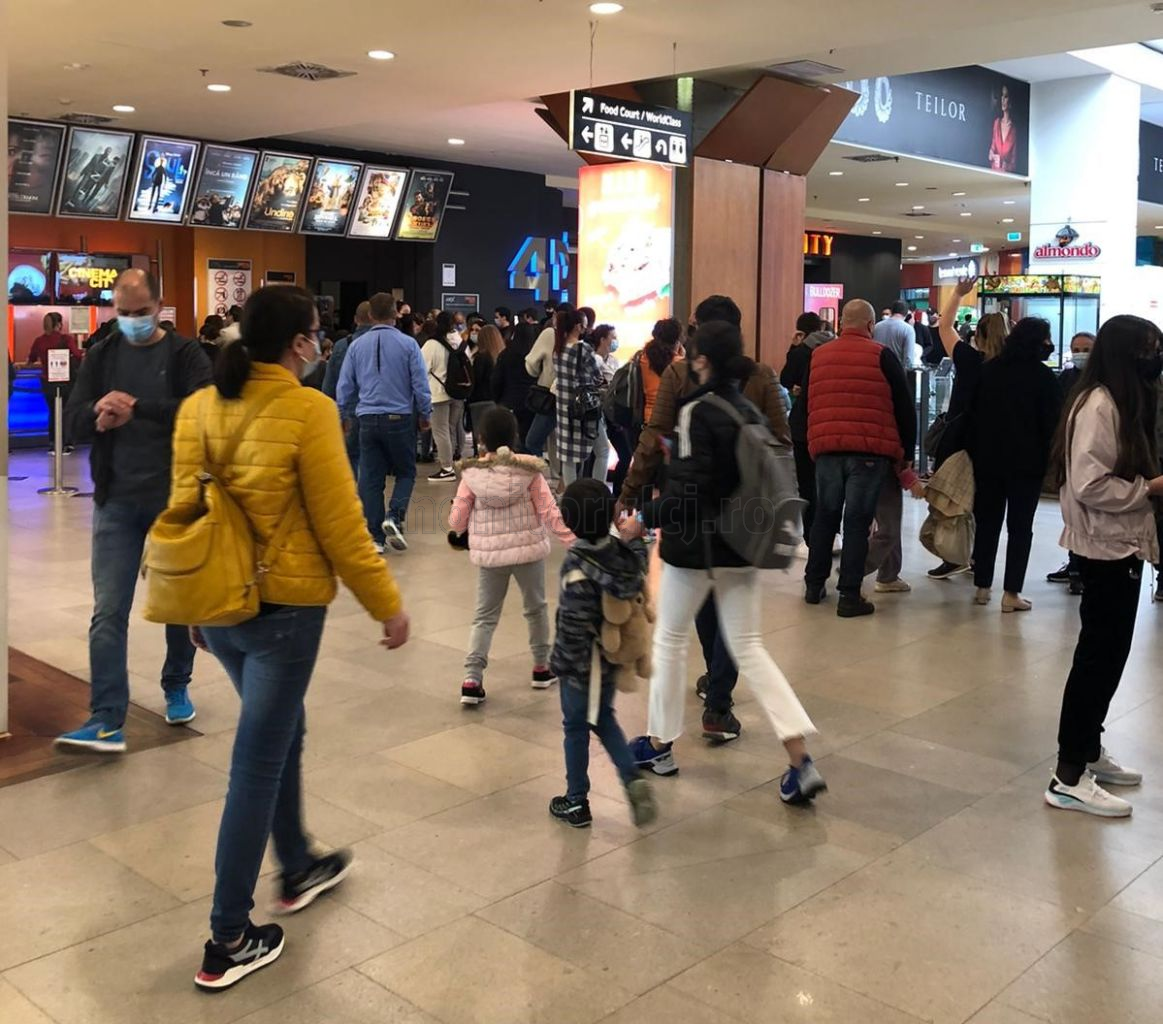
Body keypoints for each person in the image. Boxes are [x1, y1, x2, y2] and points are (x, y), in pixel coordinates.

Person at [170, 285, 410, 990]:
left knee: (280, 732)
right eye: (315, 332)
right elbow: (342, 526)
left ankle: (298, 863)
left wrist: (193, 607)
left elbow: (184, 514)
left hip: (220, 606)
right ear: (299, 342)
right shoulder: (309, 410)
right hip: (284, 614)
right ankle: (228, 937)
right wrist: (387, 605)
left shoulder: (199, 407)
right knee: (256, 762)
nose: (320, 343)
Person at [624, 322, 825, 803]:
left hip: (696, 548)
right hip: (742, 545)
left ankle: (659, 745)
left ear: (701, 361)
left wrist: (643, 518)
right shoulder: (747, 410)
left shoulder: (698, 411)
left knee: (670, 639)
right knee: (749, 647)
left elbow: (689, 493)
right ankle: (800, 759)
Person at [618, 294, 790, 743]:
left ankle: (667, 734)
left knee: (689, 619)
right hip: (743, 525)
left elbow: (654, 435)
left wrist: (632, 494)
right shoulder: (761, 377)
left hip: (689, 518)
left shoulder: (680, 377)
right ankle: (719, 702)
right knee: (741, 632)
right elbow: (781, 441)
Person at [56, 270, 211, 752]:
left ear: (159, 307)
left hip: (173, 499)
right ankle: (106, 716)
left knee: (176, 603)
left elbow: (203, 411)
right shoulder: (102, 356)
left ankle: (176, 683)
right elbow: (72, 419)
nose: (132, 321)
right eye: (123, 313)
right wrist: (96, 414)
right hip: (116, 499)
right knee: (108, 610)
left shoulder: (185, 354)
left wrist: (138, 407)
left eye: (141, 313)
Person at [1044, 315, 1163, 818]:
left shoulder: (1119, 400)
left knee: (1109, 654)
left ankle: (1088, 749)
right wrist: (1149, 489)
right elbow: (1089, 483)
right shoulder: (1099, 405)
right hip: (1105, 546)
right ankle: (1068, 776)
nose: (1154, 360)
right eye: (1148, 350)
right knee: (1098, 658)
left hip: (1120, 543)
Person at [448, 407, 575, 705]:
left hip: (491, 558)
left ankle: (472, 678)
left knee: (484, 616)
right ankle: (541, 668)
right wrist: (574, 543)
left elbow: (456, 520)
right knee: (536, 608)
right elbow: (550, 512)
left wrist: (459, 528)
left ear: (481, 439)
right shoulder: (529, 471)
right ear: (515, 436)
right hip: (528, 552)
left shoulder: (471, 474)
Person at [550, 478, 658, 828]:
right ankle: (631, 778)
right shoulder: (623, 556)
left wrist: (561, 663)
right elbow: (640, 558)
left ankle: (576, 800)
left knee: (575, 728)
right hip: (611, 660)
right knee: (604, 719)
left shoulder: (576, 565)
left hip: (580, 666)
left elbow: (573, 624)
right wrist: (634, 536)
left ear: (570, 522)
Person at [802, 299, 915, 618]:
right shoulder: (882, 355)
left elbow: (807, 401)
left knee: (825, 517)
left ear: (841, 323)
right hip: (868, 453)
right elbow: (904, 406)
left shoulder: (818, 355)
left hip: (827, 450)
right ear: (870, 325)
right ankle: (849, 595)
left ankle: (814, 585)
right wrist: (906, 452)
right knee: (856, 522)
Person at [968, 317, 1061, 611]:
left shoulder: (988, 371)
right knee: (1020, 528)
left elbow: (972, 416)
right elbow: (1052, 425)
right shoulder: (1044, 378)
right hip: (1028, 464)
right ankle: (1011, 594)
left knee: (987, 523)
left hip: (988, 461)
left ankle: (982, 586)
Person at [337, 293, 432, 552]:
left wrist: (343, 415)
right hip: (400, 417)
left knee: (370, 478)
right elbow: (420, 383)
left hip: (366, 419)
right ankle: (395, 516)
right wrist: (425, 414)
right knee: (405, 472)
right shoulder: (409, 344)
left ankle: (375, 537)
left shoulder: (356, 346)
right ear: (395, 314)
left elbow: (344, 385)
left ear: (369, 316)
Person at [927, 280, 1009, 580]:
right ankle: (979, 562)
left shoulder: (968, 359)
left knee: (951, 501)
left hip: (959, 439)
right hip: (994, 445)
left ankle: (953, 556)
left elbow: (944, 327)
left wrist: (958, 294)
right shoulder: (1010, 368)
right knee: (986, 507)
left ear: (978, 336)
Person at [1047, 331, 1097, 591]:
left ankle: (1085, 566)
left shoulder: (1103, 381)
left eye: (1086, 350)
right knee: (1072, 512)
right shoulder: (1066, 378)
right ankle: (1075, 564)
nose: (1081, 355)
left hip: (1093, 456)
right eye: (1076, 350)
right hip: (1068, 452)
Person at [782, 312, 835, 542]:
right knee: (831, 483)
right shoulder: (835, 348)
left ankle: (811, 535)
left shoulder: (802, 351)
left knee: (807, 483)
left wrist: (793, 347)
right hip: (831, 423)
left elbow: (786, 378)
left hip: (804, 424)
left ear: (801, 331)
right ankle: (833, 533)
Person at [553, 308, 605, 486]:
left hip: (564, 407)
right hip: (585, 407)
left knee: (568, 457)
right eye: (584, 325)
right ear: (578, 327)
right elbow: (597, 376)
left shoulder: (558, 349)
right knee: (602, 450)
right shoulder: (583, 349)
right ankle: (598, 490)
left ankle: (571, 495)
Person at [324, 300, 373, 475]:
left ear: (355, 319)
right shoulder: (385, 344)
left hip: (349, 411)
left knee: (350, 459)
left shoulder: (341, 346)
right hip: (377, 412)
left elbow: (329, 385)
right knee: (373, 461)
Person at [26, 311, 83, 452]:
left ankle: (53, 442)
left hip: (47, 382)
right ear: (59, 324)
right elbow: (77, 355)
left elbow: (31, 358)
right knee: (66, 411)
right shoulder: (66, 339)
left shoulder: (39, 341)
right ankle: (67, 443)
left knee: (53, 411)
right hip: (65, 381)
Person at [422, 311, 469, 480]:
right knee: (451, 428)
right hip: (457, 391)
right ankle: (452, 460)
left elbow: (421, 368)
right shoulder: (460, 341)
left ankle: (446, 468)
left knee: (440, 430)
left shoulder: (432, 344)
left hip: (438, 392)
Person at [524, 305, 570, 458]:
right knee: (561, 445)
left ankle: (540, 472)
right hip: (571, 398)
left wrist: (541, 373)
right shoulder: (576, 339)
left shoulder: (550, 333)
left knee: (532, 442)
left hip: (549, 396)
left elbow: (531, 363)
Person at [492, 309, 538, 448]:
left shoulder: (506, 354)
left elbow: (496, 379)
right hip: (532, 403)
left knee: (508, 440)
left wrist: (497, 400)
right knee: (529, 439)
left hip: (509, 401)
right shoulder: (535, 355)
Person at [589, 323, 627, 487]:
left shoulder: (613, 361)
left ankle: (617, 492)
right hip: (596, 412)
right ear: (602, 339)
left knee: (625, 454)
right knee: (595, 454)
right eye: (613, 337)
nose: (615, 341)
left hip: (612, 414)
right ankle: (591, 489)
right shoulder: (591, 360)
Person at [641, 318, 684, 427]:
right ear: (677, 341)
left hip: (650, 418)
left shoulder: (643, 359)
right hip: (672, 420)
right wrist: (682, 356)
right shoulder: (680, 364)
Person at [468, 324, 504, 453]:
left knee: (481, 437)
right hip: (496, 401)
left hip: (479, 400)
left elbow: (476, 379)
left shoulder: (481, 357)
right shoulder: (501, 356)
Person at [872, 300, 915, 368]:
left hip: (877, 368)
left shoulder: (877, 326)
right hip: (896, 370)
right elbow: (908, 359)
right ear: (906, 314)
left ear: (891, 311)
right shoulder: (908, 329)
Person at [989, 82, 1018, 173]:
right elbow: (991, 151)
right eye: (1002, 96)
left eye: (1005, 96)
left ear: (1011, 100)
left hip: (1006, 176)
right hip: (993, 173)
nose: (1002, 100)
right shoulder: (996, 123)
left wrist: (1006, 166)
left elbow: (1014, 164)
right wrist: (993, 156)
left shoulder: (1014, 130)